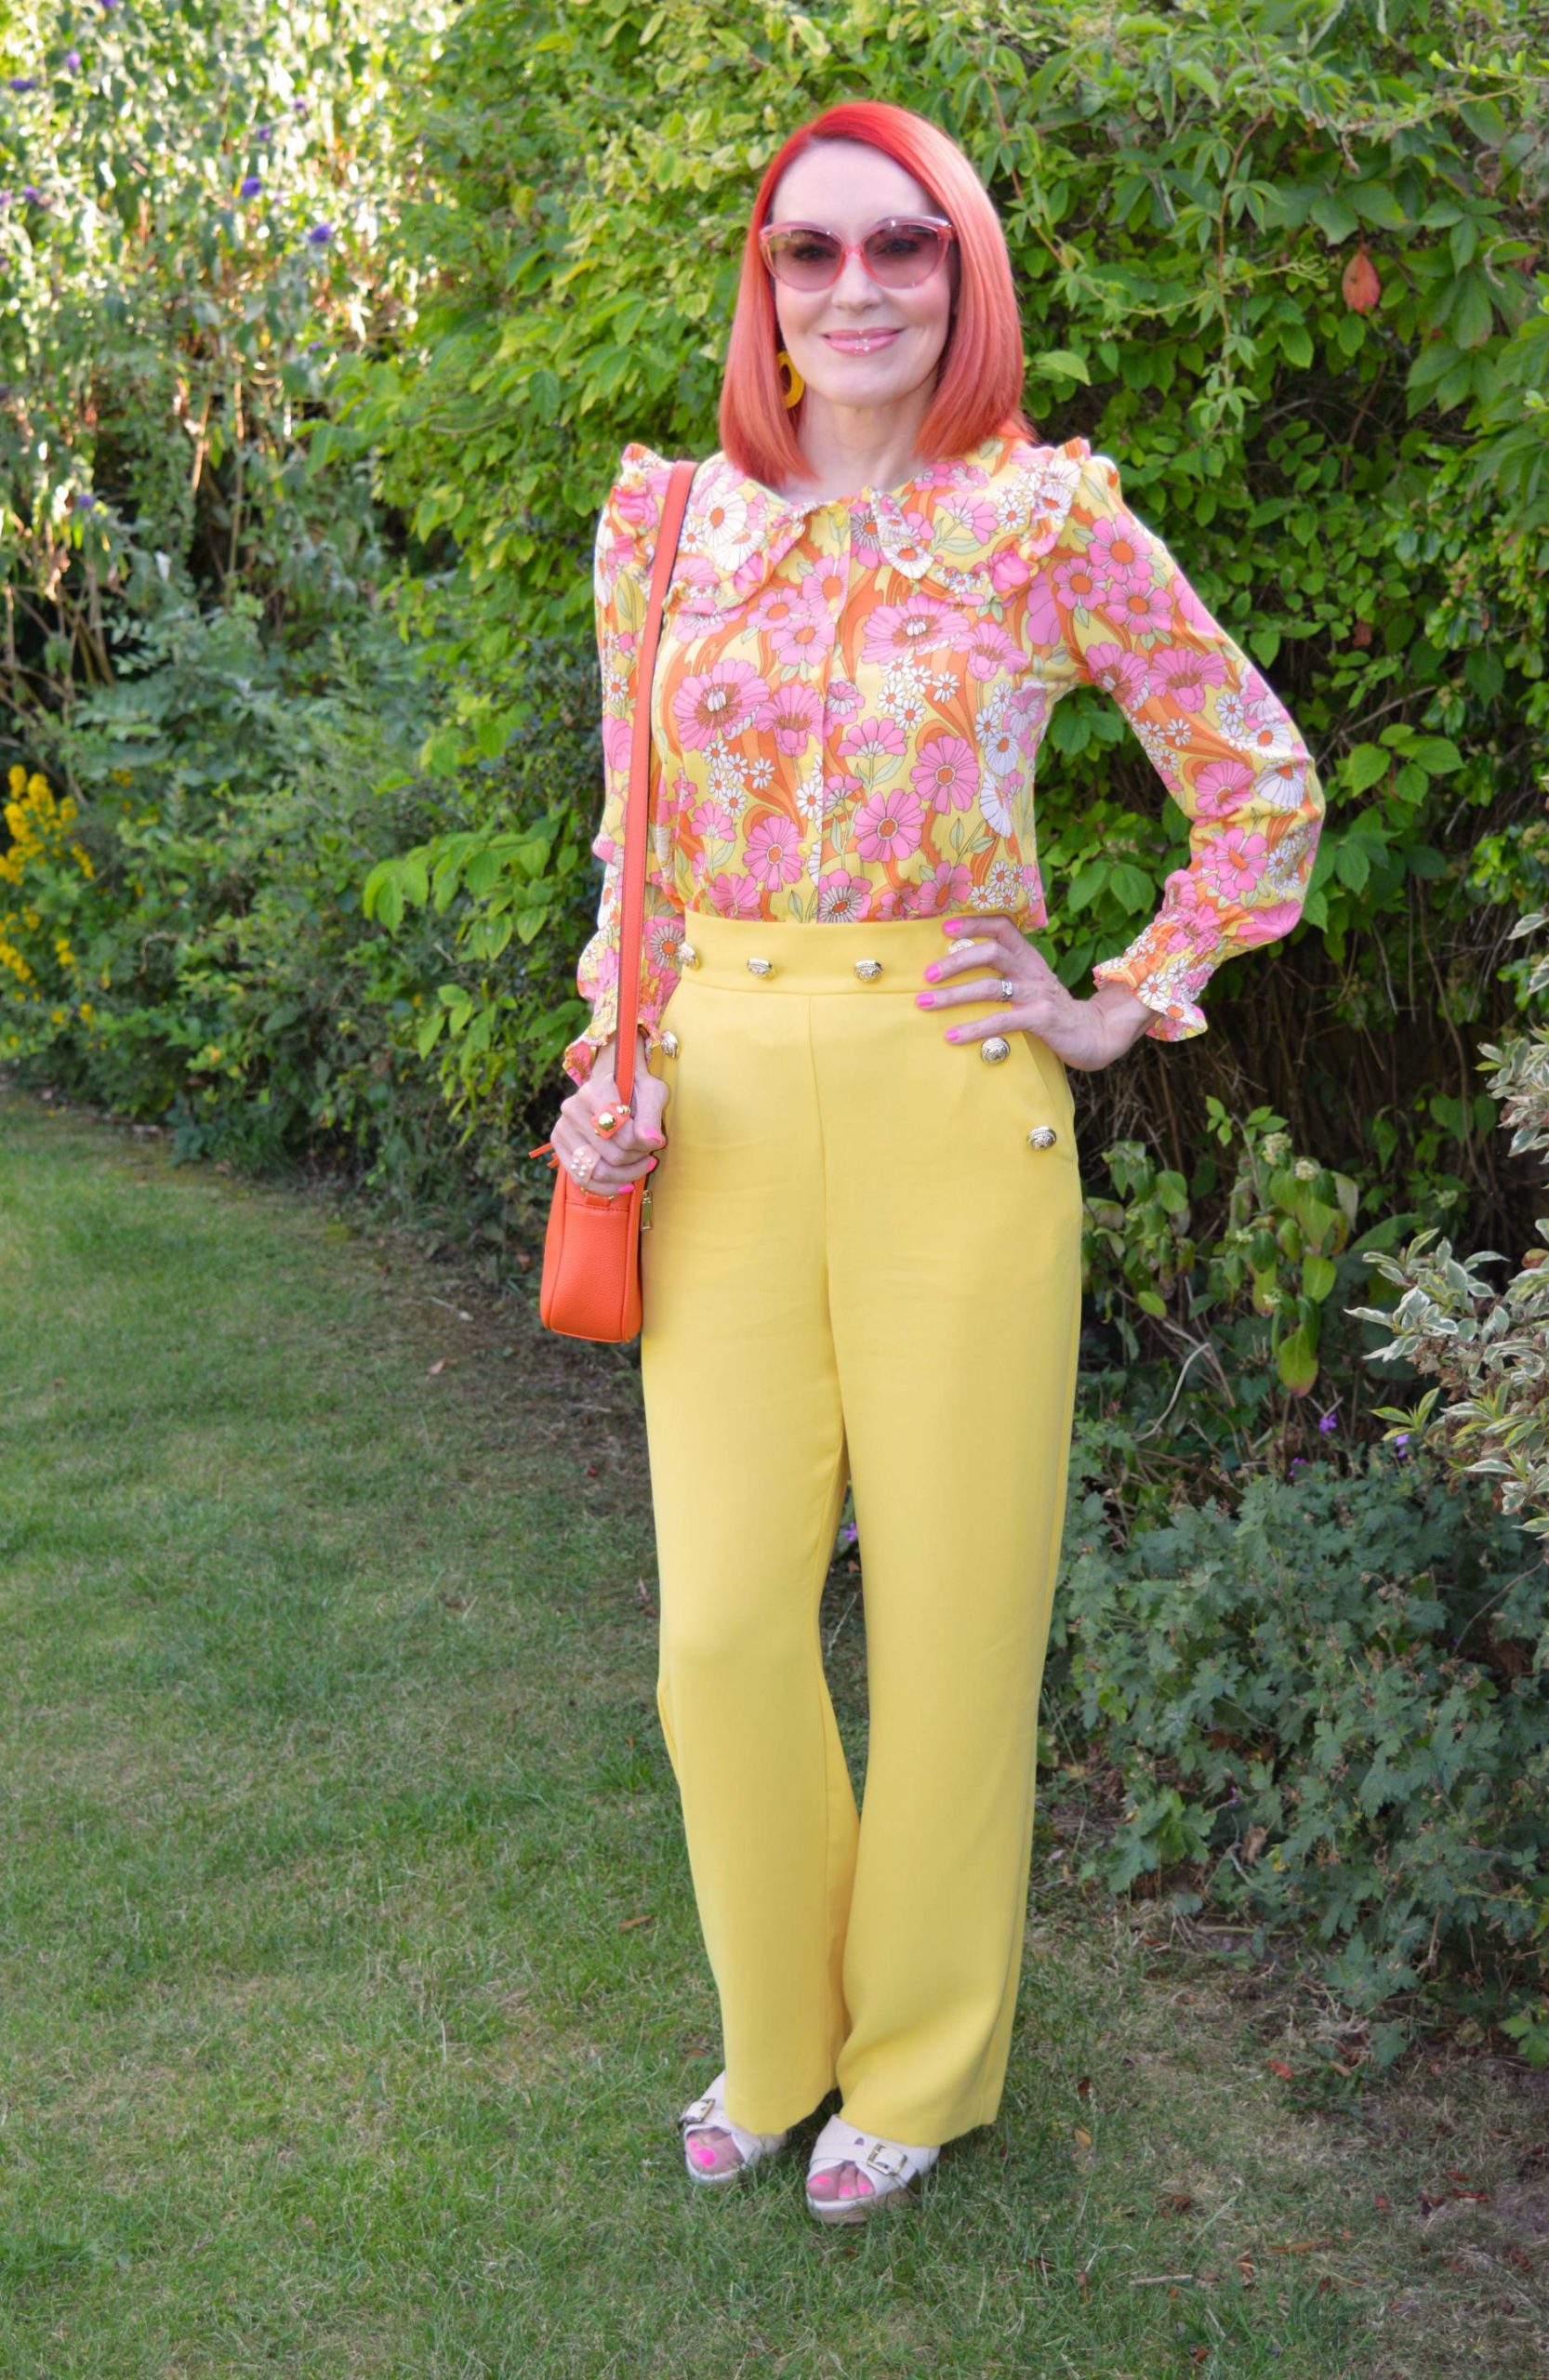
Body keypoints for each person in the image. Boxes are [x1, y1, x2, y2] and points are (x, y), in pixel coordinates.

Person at [547, 99, 1324, 2225]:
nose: (859, 289)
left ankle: (920, 2058)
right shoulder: (669, 528)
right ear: (764, 287)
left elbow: (1254, 780)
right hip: (707, 1092)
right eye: (812, 254)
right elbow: (636, 842)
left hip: (948, 1103)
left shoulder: (1040, 522)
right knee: (715, 1629)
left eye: (904, 248)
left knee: (962, 1618)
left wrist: (1111, 997)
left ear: (961, 275)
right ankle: (772, 2035)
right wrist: (599, 1062)